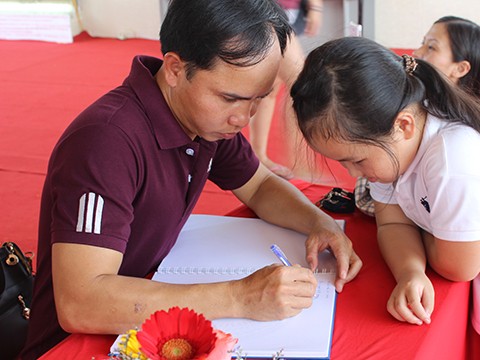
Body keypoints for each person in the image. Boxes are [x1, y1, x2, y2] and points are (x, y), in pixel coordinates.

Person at [20, 1, 362, 358]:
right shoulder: (105, 142)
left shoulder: (204, 122)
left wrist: (320, 223)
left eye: (260, 99)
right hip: (76, 345)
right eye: (231, 98)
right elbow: (81, 302)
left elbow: (259, 185)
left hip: (150, 311)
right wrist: (239, 296)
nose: (243, 118)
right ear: (175, 69)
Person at [291, 36, 480, 359]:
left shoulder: (454, 161)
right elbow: (392, 221)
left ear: (404, 125)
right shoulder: (391, 147)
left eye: (356, 160)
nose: (353, 174)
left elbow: (459, 265)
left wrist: (418, 233)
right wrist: (410, 271)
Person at [355, 16, 480, 216]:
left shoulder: (460, 144)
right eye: (423, 43)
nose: (417, 53)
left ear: (461, 68)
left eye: (431, 47)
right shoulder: (417, 101)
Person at [248, 0, 324, 180]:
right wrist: (315, 6)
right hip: (265, 10)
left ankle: (259, 157)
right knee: (299, 83)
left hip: (279, 12)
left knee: (271, 86)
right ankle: (301, 164)